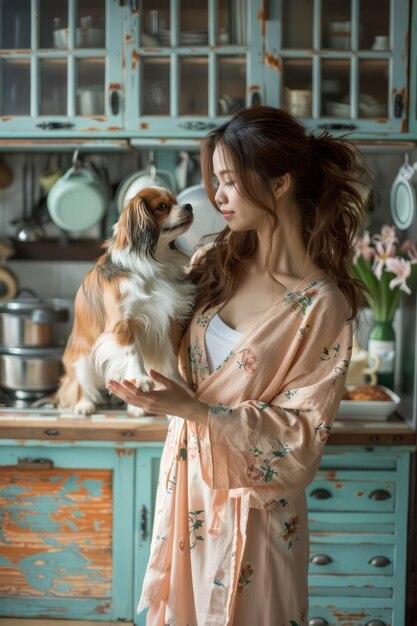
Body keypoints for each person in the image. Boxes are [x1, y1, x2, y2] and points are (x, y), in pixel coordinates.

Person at [107, 105, 367, 626]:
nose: (216, 196)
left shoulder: (323, 306)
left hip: (258, 514)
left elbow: (302, 438)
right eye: (216, 181)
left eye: (228, 181)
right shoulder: (212, 262)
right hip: (189, 493)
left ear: (279, 184)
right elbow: (152, 334)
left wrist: (195, 409)